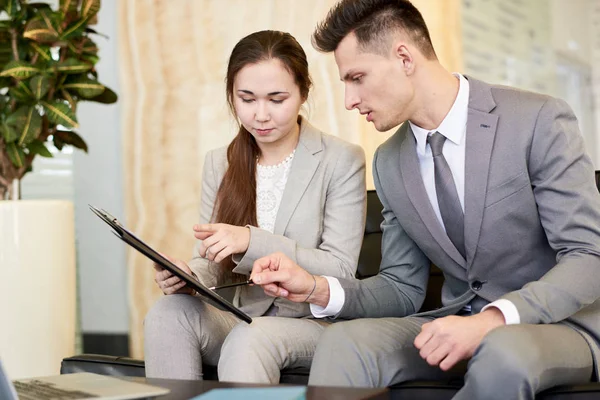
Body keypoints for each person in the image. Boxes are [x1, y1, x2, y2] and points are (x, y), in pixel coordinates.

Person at [249, 1, 600, 399]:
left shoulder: (538, 120)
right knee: (344, 342)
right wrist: (315, 288)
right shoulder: (389, 161)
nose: (349, 99)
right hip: (452, 322)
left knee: (502, 349)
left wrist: (493, 320)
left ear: (403, 57)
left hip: (558, 326)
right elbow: (401, 287)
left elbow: (588, 255)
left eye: (357, 78)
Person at [143, 30, 367, 383]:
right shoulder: (221, 162)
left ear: (303, 93)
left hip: (311, 324)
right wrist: (189, 278)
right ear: (231, 95)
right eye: (246, 99)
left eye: (276, 99)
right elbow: (211, 261)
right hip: (239, 314)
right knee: (169, 312)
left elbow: (340, 269)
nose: (260, 115)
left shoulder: (341, 160)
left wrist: (251, 241)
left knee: (252, 338)